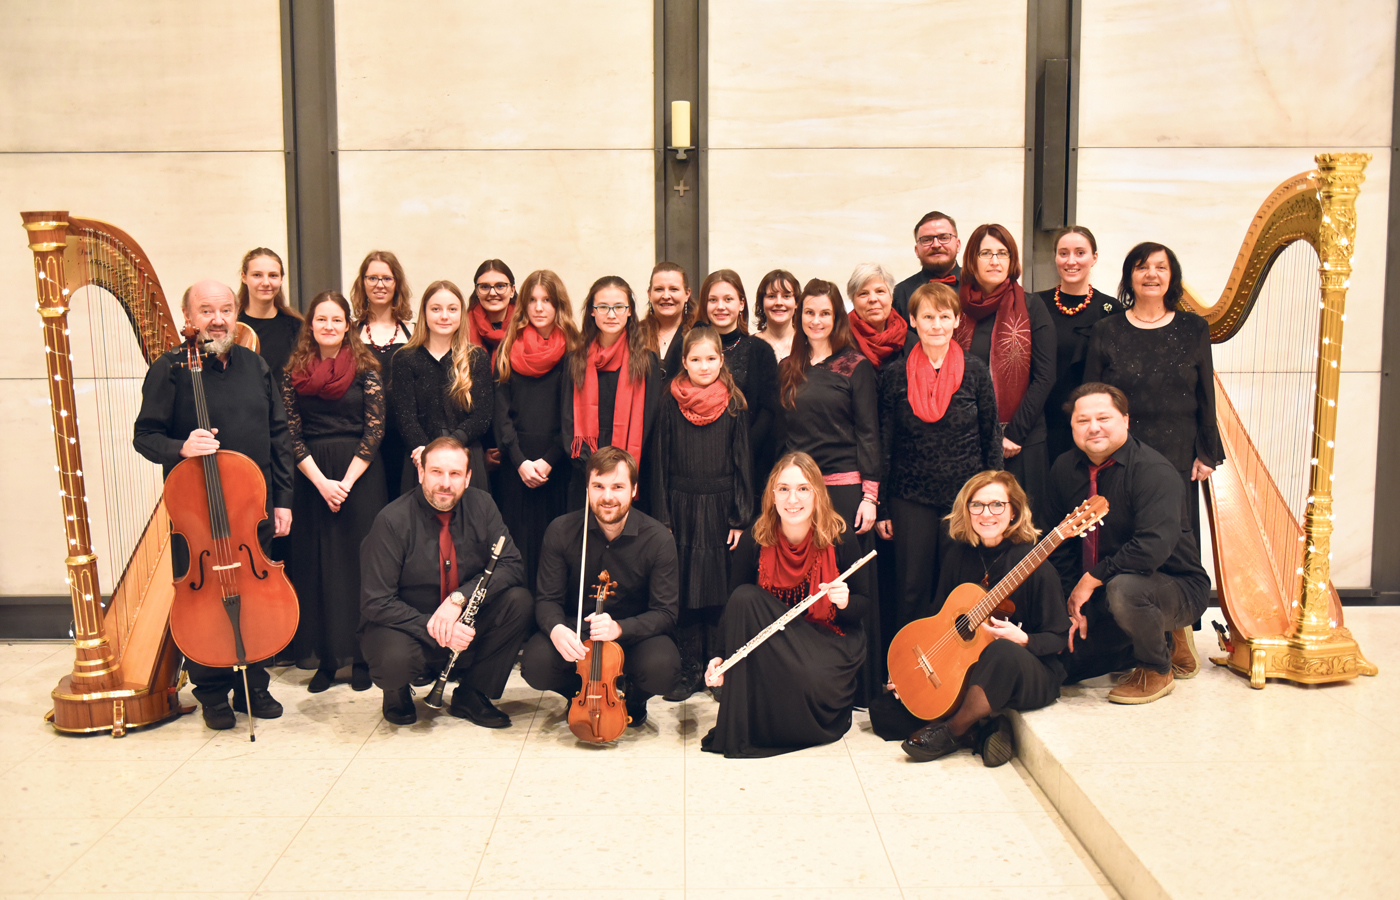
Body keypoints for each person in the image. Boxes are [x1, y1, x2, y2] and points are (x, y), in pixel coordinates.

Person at [133, 280, 293, 730]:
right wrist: (181, 447)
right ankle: (211, 692)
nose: (217, 319)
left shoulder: (255, 365)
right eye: (206, 310)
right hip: (198, 516)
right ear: (188, 318)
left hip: (251, 511)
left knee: (256, 594)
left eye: (225, 309)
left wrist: (283, 500)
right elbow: (144, 436)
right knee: (205, 601)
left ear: (236, 312)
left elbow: (280, 436)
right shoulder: (169, 370)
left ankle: (254, 685)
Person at [1047, 383, 1210, 704]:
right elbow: (1061, 547)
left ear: (1125, 420)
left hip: (1172, 585)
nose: (1093, 427)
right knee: (1062, 666)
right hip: (1100, 594)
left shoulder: (1154, 472)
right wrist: (1069, 604)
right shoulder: (1064, 469)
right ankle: (1136, 643)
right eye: (1083, 421)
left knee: (1125, 589)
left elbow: (1152, 548)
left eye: (1103, 418)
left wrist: (1091, 579)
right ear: (1072, 427)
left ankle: (1156, 668)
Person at [701, 452, 871, 758]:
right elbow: (734, 609)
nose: (793, 499)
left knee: (806, 680)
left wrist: (845, 602)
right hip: (777, 648)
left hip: (827, 643)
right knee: (744, 596)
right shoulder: (756, 538)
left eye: (803, 489)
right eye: (784, 489)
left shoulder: (839, 536)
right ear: (772, 496)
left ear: (817, 493)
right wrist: (719, 657)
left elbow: (864, 604)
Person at [359, 436, 533, 726]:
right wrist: (437, 629)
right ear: (421, 473)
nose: (445, 483)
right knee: (392, 660)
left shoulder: (482, 505)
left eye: (455, 474)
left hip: (462, 618)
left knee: (519, 602)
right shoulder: (392, 521)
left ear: (467, 478)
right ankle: (396, 691)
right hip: (410, 625)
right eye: (437, 472)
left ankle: (472, 694)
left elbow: (511, 564)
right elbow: (376, 601)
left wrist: (460, 599)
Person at [899, 471, 1068, 765]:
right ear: (966, 510)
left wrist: (1024, 639)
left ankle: (954, 730)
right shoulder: (958, 555)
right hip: (971, 666)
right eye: (976, 505)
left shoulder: (1035, 564)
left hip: (1028, 670)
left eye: (997, 505)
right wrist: (910, 672)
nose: (986, 514)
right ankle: (985, 727)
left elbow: (1058, 638)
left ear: (1014, 511)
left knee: (1002, 651)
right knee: (890, 711)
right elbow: (939, 617)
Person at [521, 447, 681, 730]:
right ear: (587, 488)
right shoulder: (561, 531)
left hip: (632, 636)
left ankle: (632, 698)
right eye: (598, 486)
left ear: (633, 490)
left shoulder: (657, 539)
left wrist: (620, 628)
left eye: (618, 487)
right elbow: (547, 600)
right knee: (536, 663)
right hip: (578, 632)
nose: (607, 497)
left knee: (664, 668)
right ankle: (579, 692)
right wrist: (557, 629)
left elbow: (666, 613)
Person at [778, 278, 882, 701]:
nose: (816, 320)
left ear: (836, 317)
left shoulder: (856, 366)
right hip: (798, 495)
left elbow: (869, 434)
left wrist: (871, 496)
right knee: (804, 585)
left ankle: (862, 687)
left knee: (851, 587)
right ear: (799, 317)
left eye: (825, 313)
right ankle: (810, 678)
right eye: (809, 313)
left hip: (844, 493)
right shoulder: (788, 367)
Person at [876, 283, 1002, 631]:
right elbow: (884, 443)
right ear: (913, 321)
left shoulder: (975, 371)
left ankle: (952, 665)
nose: (936, 325)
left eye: (944, 317)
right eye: (928, 317)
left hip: (963, 497)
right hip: (909, 496)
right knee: (911, 586)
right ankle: (906, 667)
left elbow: (991, 435)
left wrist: (994, 498)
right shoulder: (893, 374)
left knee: (956, 586)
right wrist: (882, 506)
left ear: (957, 320)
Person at [281, 291, 387, 693]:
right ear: (312, 325)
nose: (328, 326)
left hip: (358, 477)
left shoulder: (366, 369)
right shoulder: (295, 370)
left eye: (336, 319)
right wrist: (321, 481)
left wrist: (345, 480)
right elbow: (290, 433)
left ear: (348, 325)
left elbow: (374, 429)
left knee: (358, 568)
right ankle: (326, 659)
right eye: (321, 319)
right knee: (318, 567)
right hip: (313, 481)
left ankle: (360, 657)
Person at [1083, 242, 1224, 541]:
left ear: (1172, 277)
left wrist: (1207, 452)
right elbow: (1090, 396)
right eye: (1142, 267)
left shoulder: (1194, 327)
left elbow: (1205, 394)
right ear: (1129, 276)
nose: (1152, 274)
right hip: (1121, 450)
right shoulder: (1105, 329)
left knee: (1176, 537)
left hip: (1179, 450)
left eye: (1161, 267)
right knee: (1124, 534)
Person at [652, 326, 754, 700]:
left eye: (711, 358)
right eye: (695, 359)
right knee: (684, 587)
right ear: (684, 361)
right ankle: (689, 667)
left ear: (722, 360)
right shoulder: (669, 402)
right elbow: (659, 462)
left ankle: (717, 666)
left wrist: (741, 517)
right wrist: (663, 516)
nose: (704, 365)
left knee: (717, 587)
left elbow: (743, 461)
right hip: (680, 505)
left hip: (720, 507)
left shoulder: (734, 402)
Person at [957, 223, 1056, 529]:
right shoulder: (955, 306)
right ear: (972, 260)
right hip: (968, 439)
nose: (995, 261)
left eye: (1003, 253)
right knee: (973, 527)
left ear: (1012, 261)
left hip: (1022, 440)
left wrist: (1012, 433)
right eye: (986, 253)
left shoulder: (1031, 305)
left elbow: (1045, 376)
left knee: (1023, 528)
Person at [493, 269, 579, 592]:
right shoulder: (508, 348)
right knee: (517, 546)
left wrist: (548, 461)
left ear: (559, 305)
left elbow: (573, 415)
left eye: (547, 300)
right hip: (516, 466)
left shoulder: (573, 351)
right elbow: (501, 416)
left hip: (555, 466)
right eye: (532, 300)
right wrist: (519, 461)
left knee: (553, 547)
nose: (539, 307)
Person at [564, 276, 664, 512]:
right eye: (603, 307)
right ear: (592, 311)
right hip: (585, 472)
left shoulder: (646, 360)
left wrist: (621, 471)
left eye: (619, 307)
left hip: (632, 472)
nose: (611, 314)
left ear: (630, 312)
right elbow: (567, 421)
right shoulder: (574, 360)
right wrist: (592, 467)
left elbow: (650, 423)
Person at [391, 280, 493, 489]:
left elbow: (482, 417)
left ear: (461, 314)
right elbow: (405, 418)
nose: (444, 316)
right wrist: (429, 454)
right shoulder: (404, 359)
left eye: (452, 309)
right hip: (421, 459)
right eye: (436, 309)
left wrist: (448, 447)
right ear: (424, 313)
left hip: (465, 456)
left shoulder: (476, 357)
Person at [1032, 226, 1120, 462]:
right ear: (1055, 257)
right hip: (1041, 422)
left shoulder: (1111, 310)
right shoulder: (1034, 304)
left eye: (1080, 253)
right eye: (1063, 253)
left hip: (1092, 427)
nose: (1071, 261)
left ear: (1094, 258)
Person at [693, 269, 781, 482]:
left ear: (741, 304)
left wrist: (741, 451)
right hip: (696, 464)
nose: (720, 306)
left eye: (728, 299)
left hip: (748, 466)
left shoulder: (761, 351)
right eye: (713, 300)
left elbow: (768, 413)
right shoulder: (688, 348)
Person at [350, 250, 414, 498]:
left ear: (396, 283)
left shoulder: (414, 332)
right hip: (362, 440)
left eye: (386, 278)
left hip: (404, 439)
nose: (379, 285)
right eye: (372, 278)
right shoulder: (349, 333)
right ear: (362, 283)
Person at [236, 247, 302, 382]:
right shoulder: (232, 327)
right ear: (244, 277)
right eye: (257, 275)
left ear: (281, 279)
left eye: (273, 275)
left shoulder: (297, 327)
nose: (266, 283)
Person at [893, 211, 962, 319]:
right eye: (927, 240)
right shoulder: (900, 294)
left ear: (958, 245)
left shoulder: (980, 284)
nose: (936, 245)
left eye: (944, 237)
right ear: (916, 250)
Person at [638, 262, 694, 380]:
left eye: (674, 289)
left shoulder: (699, 333)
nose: (666, 296)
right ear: (649, 294)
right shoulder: (635, 334)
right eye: (659, 289)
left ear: (687, 294)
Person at [847, 262, 907, 371]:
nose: (873, 299)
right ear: (853, 301)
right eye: (863, 293)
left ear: (891, 297)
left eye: (880, 291)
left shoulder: (910, 342)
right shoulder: (839, 339)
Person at [466, 259, 516, 356]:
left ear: (512, 291)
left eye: (500, 286)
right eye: (485, 287)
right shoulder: (462, 327)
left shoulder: (524, 325)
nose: (492, 293)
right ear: (476, 291)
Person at [753, 268, 800, 363]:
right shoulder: (748, 346)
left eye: (786, 296)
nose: (779, 302)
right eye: (771, 296)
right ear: (761, 303)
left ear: (797, 303)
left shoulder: (809, 346)